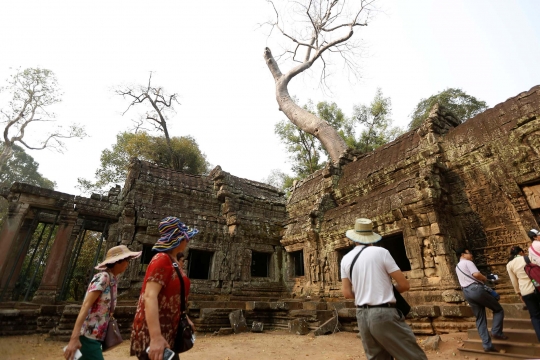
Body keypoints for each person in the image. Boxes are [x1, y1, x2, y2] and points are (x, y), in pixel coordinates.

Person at [341, 218, 427, 360]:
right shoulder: (380, 252)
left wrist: (367, 291)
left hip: (362, 316)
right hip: (383, 313)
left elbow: (347, 293)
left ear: (354, 238)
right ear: (370, 237)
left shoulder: (345, 259)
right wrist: (382, 290)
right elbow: (404, 285)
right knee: (413, 356)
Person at [130, 216, 198, 360]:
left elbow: (174, 295)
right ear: (178, 239)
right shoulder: (161, 259)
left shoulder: (174, 262)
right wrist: (155, 337)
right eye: (186, 236)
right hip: (154, 333)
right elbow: (150, 296)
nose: (188, 240)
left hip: (169, 330)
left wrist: (185, 317)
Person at [64, 245, 142, 360]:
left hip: (97, 335)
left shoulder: (113, 279)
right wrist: (74, 337)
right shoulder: (103, 277)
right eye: (127, 260)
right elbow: (86, 305)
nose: (128, 264)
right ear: (117, 262)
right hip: (88, 334)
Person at [455, 247, 506, 352]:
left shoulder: (457, 266)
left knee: (480, 318)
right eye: (469, 252)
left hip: (467, 292)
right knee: (498, 309)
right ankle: (496, 331)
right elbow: (476, 274)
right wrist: (484, 278)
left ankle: (487, 344)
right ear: (463, 254)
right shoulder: (468, 262)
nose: (471, 255)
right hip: (476, 289)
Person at [506, 246, 540, 341]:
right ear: (521, 252)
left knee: (535, 316)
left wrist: (519, 293)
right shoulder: (528, 258)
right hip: (537, 287)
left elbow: (514, 281)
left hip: (525, 291)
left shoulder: (509, 265)